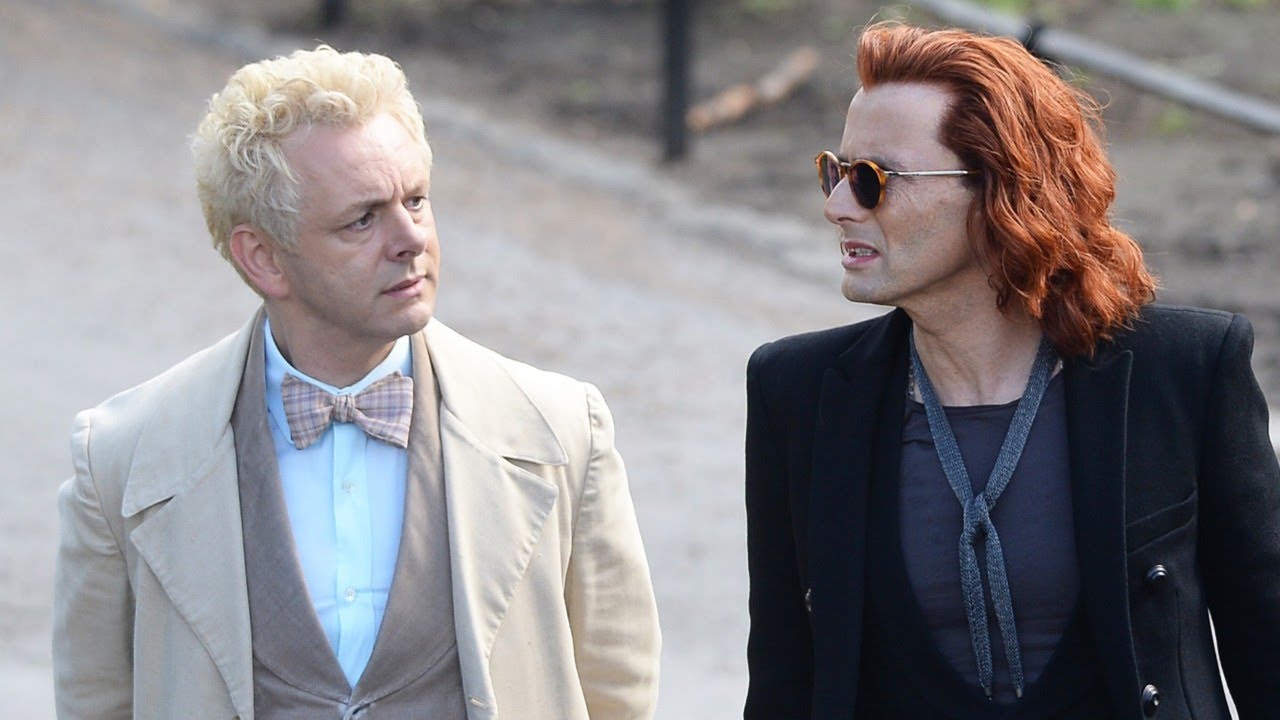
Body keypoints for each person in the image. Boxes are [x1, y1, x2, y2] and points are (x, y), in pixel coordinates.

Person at [53, 46, 660, 720]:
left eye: (416, 201)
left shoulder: (562, 432)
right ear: (264, 258)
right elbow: (94, 704)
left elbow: (619, 694)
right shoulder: (123, 460)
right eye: (362, 219)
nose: (410, 239)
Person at [744, 21, 1280, 720]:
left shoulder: (1183, 371)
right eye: (834, 172)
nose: (837, 206)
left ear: (999, 191)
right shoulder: (798, 392)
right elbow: (784, 679)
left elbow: (1267, 641)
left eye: (873, 179)